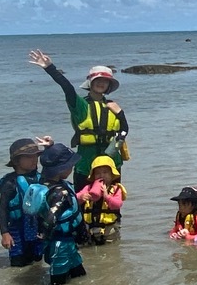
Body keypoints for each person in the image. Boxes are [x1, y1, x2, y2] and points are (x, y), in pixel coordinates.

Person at [28, 49, 129, 187]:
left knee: (112, 204)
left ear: (109, 85)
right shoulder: (80, 105)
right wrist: (50, 68)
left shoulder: (113, 106)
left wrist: (120, 113)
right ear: (90, 83)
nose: (101, 83)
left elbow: (123, 131)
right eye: (98, 80)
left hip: (111, 164)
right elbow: (67, 88)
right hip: (86, 162)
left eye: (105, 81)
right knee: (83, 202)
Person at [35, 143, 87, 285]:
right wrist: (43, 235)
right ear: (60, 169)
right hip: (61, 243)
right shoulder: (60, 194)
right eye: (69, 165)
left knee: (79, 274)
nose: (71, 168)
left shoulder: (45, 182)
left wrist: (50, 147)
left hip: (68, 241)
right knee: (58, 281)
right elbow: (51, 217)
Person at [0, 139, 44, 267]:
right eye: (29, 157)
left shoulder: (41, 179)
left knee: (38, 262)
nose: (34, 159)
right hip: (17, 229)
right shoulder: (10, 183)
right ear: (16, 161)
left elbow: (56, 163)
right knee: (18, 263)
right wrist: (5, 233)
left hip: (37, 228)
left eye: (35, 156)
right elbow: (2, 210)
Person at [76, 154, 125, 245]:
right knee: (90, 249)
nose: (101, 175)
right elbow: (75, 199)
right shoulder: (88, 188)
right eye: (97, 173)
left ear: (112, 175)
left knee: (111, 253)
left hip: (109, 229)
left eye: (105, 172)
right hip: (91, 229)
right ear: (93, 176)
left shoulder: (116, 189)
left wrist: (107, 196)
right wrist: (81, 197)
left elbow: (117, 204)